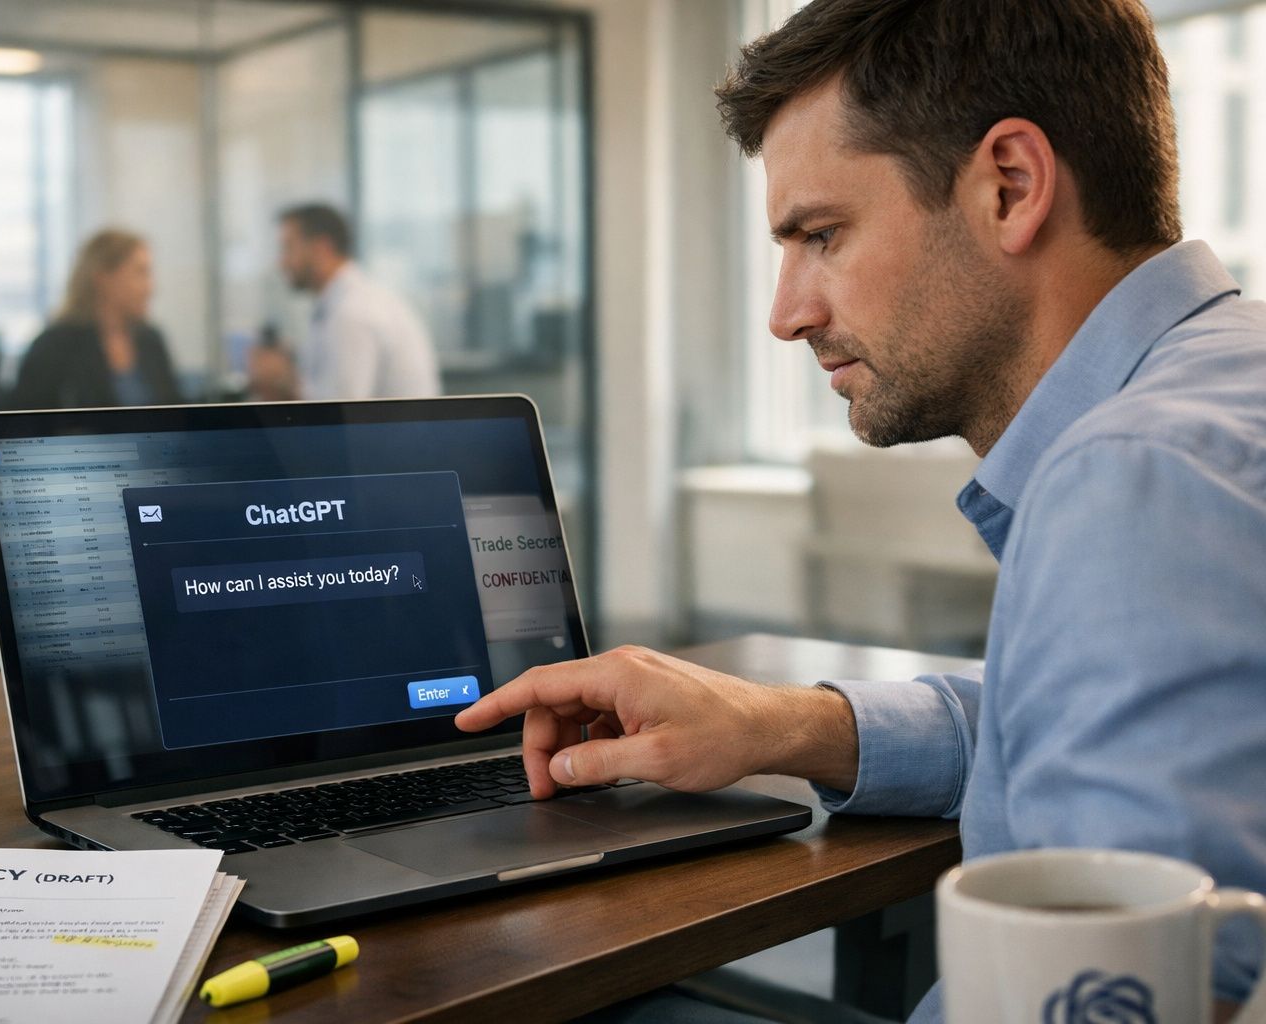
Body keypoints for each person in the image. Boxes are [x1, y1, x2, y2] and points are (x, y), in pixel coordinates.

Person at [454, 2, 1266, 1021]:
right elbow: (1069, 721)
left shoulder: (1137, 476)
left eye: (821, 235)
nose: (787, 311)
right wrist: (778, 722)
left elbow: (1147, 989)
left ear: (1008, 186)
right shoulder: (1226, 390)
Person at [247, 203, 440, 401]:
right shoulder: (346, 303)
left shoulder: (352, 313)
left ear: (321, 248)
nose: (281, 262)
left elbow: (338, 418)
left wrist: (280, 381)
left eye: (288, 248)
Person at [11, 229, 182, 409]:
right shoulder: (53, 346)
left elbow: (177, 416)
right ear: (103, 278)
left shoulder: (151, 340)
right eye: (141, 273)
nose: (150, 287)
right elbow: (26, 423)